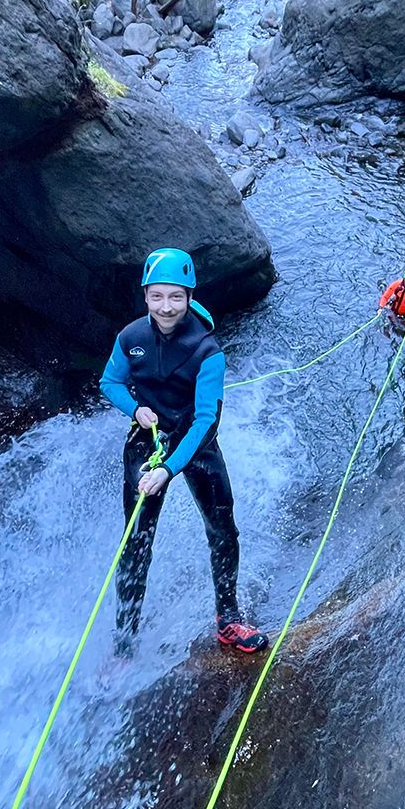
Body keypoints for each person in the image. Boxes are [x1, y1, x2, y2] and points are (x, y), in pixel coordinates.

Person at [100, 247, 269, 656]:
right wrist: (134, 409)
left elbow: (207, 419)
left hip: (195, 442)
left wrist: (170, 469)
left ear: (190, 297)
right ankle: (124, 645)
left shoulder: (208, 352)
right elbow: (110, 383)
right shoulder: (131, 338)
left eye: (176, 296)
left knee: (223, 529)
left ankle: (228, 620)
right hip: (149, 437)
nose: (166, 306)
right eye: (157, 296)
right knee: (137, 539)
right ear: (145, 295)